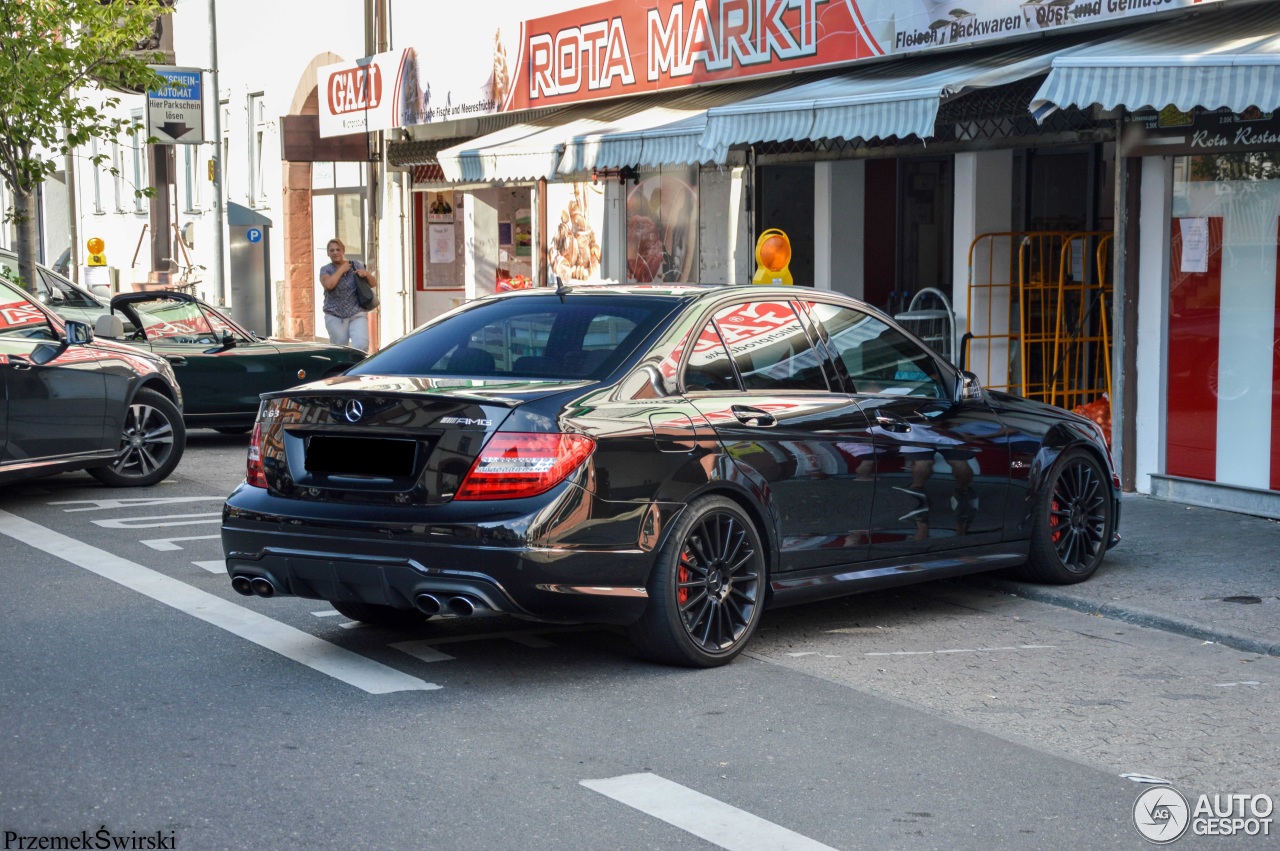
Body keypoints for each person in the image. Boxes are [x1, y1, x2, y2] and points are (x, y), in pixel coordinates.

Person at [318, 238, 375, 352]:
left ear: (343, 251)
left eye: (338, 249)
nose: (335, 252)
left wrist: (366, 274)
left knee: (361, 345)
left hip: (357, 313)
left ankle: (357, 368)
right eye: (332, 250)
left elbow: (373, 283)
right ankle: (342, 369)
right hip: (335, 315)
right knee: (340, 349)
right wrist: (341, 270)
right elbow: (329, 285)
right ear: (328, 253)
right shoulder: (325, 270)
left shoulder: (356, 264)